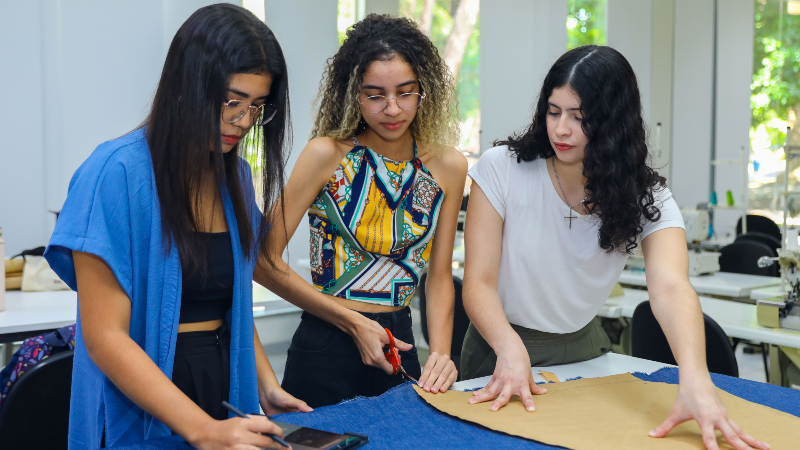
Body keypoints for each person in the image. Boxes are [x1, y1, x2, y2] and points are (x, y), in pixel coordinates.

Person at [461, 45, 769, 450]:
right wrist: (508, 346)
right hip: (499, 347)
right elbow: (478, 282)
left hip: (586, 348)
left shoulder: (645, 195)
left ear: (613, 123)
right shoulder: (502, 168)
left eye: (580, 117)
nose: (561, 130)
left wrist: (695, 375)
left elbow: (671, 287)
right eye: (553, 112)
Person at [44, 5, 310, 449]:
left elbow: (233, 306)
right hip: (146, 394)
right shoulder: (114, 173)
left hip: (222, 387)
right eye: (231, 102)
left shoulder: (236, 178)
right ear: (186, 86)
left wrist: (265, 385)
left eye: (256, 107)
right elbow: (105, 337)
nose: (243, 122)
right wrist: (203, 429)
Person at [256, 14, 467, 408]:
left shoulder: (449, 167)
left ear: (425, 91)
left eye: (406, 92)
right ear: (353, 94)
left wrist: (440, 355)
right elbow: (261, 259)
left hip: (399, 344)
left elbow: (438, 278)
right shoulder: (326, 155)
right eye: (375, 95)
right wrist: (351, 322)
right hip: (325, 344)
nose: (392, 109)